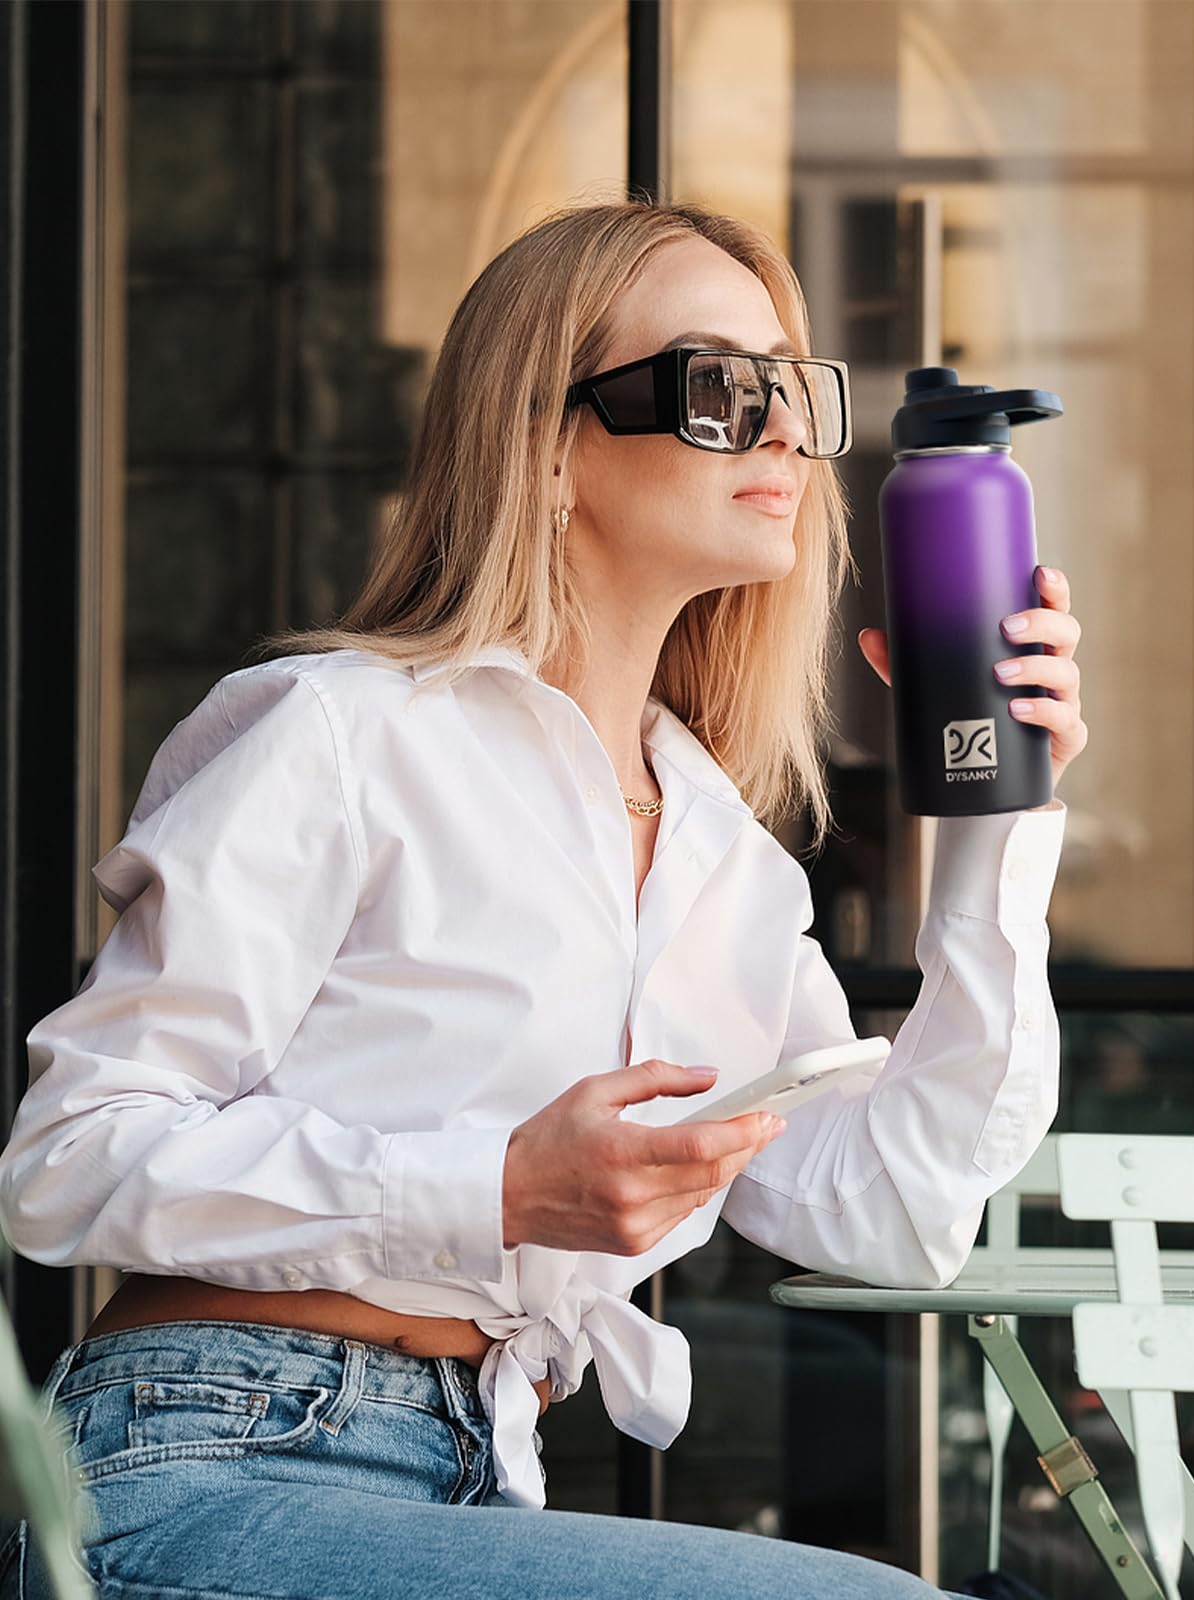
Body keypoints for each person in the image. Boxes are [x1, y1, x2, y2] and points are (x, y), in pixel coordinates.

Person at [0, 196, 1086, 1599]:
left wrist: (1009, 813)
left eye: (792, 391)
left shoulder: (724, 867)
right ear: (548, 443)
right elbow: (67, 1160)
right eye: (715, 388)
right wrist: (497, 1188)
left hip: (487, 1479)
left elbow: (895, 1205)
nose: (777, 432)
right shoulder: (345, 735)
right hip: (205, 1463)